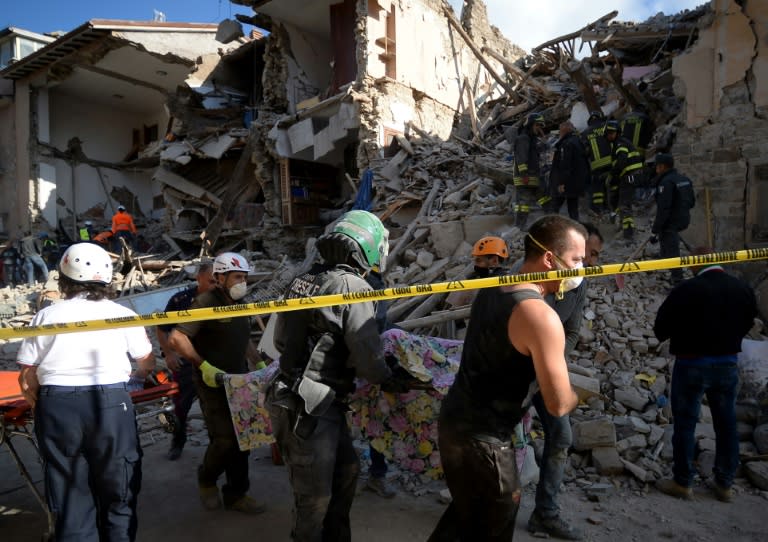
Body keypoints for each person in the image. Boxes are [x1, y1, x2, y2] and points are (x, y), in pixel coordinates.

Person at [429, 215, 583, 541]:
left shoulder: (493, 288)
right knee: (493, 522)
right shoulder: (540, 316)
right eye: (576, 260)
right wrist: (575, 394)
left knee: (464, 516)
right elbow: (557, 405)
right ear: (549, 259)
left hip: (454, 423)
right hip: (485, 442)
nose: (581, 269)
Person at [265, 210, 409, 541]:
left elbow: (280, 341)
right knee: (314, 500)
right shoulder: (353, 286)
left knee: (347, 471)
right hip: (310, 407)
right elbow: (369, 363)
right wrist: (390, 377)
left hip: (302, 399)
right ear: (370, 248)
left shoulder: (303, 279)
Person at [16, 242, 155, 541]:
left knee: (69, 492)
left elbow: (27, 375)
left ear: (64, 278)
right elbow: (145, 362)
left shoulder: (46, 316)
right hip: (110, 405)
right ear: (108, 278)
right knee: (119, 486)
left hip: (57, 406)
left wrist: (40, 399)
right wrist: (133, 378)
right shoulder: (122, 314)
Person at [654, 247, 758, 502]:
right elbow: (749, 321)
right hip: (727, 365)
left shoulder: (686, 290)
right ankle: (725, 484)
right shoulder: (742, 289)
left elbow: (661, 328)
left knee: (686, 424)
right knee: (726, 424)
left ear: (692, 265)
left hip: (691, 365)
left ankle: (683, 482)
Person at [168, 252, 265, 515]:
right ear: (220, 277)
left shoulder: (240, 302)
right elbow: (177, 338)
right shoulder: (205, 302)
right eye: (237, 277)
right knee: (223, 440)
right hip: (212, 382)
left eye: (244, 277)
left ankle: (237, 494)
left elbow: (242, 338)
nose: (241, 282)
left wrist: (257, 362)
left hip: (240, 380)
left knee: (243, 439)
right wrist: (204, 366)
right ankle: (207, 479)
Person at [525, 223, 603, 540]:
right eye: (581, 257)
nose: (587, 264)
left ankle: (546, 513)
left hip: (547, 372)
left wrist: (551, 361)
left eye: (592, 257)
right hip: (513, 372)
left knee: (560, 438)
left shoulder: (577, 284)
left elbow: (571, 331)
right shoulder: (522, 282)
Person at [156, 262, 216, 460]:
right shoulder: (180, 300)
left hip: (214, 363)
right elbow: (162, 329)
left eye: (218, 281)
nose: (215, 285)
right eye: (211, 281)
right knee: (181, 406)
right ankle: (177, 441)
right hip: (186, 365)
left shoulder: (222, 299)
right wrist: (169, 354)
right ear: (198, 278)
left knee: (217, 408)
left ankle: (218, 445)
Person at [651, 153, 696, 285]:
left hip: (671, 221)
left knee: (672, 246)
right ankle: (664, 256)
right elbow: (692, 202)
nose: (655, 169)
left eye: (657, 167)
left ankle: (677, 279)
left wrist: (655, 229)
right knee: (666, 236)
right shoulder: (684, 179)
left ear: (662, 167)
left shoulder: (666, 182)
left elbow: (663, 209)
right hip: (684, 218)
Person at [604, 120, 644, 240]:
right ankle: (623, 228)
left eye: (612, 133)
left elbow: (621, 162)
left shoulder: (620, 144)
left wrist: (611, 175)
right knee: (621, 202)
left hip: (630, 175)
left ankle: (628, 234)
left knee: (624, 205)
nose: (609, 135)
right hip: (629, 176)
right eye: (608, 133)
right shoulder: (619, 143)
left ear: (617, 133)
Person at [513, 113, 549, 229]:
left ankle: (552, 222)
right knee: (523, 203)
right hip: (525, 177)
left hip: (533, 176)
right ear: (530, 125)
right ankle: (519, 227)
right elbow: (521, 158)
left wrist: (544, 142)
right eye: (537, 125)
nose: (539, 128)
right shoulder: (523, 138)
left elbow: (537, 151)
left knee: (545, 198)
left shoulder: (531, 139)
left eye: (540, 126)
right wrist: (524, 174)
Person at [549, 121, 589, 220]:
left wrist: (562, 182)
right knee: (573, 208)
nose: (559, 133)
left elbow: (565, 164)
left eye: (560, 130)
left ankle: (551, 227)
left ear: (565, 130)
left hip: (567, 182)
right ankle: (577, 229)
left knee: (555, 206)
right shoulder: (578, 141)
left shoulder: (566, 144)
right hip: (576, 182)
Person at [581, 110, 612, 215]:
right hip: (611, 163)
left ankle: (599, 209)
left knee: (597, 188)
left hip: (596, 166)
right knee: (612, 185)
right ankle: (612, 207)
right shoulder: (607, 127)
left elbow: (585, 151)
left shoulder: (585, 132)